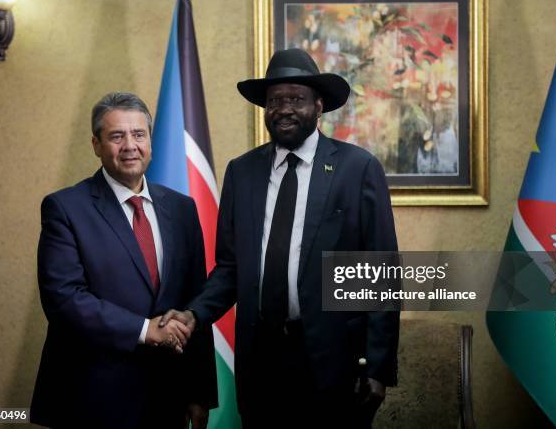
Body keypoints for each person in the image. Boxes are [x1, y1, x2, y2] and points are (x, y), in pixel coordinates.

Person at [164, 48, 399, 428]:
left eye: (295, 100)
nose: (284, 109)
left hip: (334, 362)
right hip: (262, 362)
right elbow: (229, 269)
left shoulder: (357, 169)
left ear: (318, 106)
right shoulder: (242, 172)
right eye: (275, 101)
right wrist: (194, 313)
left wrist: (378, 366)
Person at [30, 92, 217, 429]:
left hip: (167, 397)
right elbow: (64, 299)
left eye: (138, 134)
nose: (130, 145)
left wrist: (199, 392)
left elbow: (195, 299)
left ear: (150, 141)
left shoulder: (182, 208)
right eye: (117, 136)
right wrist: (146, 330)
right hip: (92, 397)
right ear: (96, 144)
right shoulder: (65, 208)